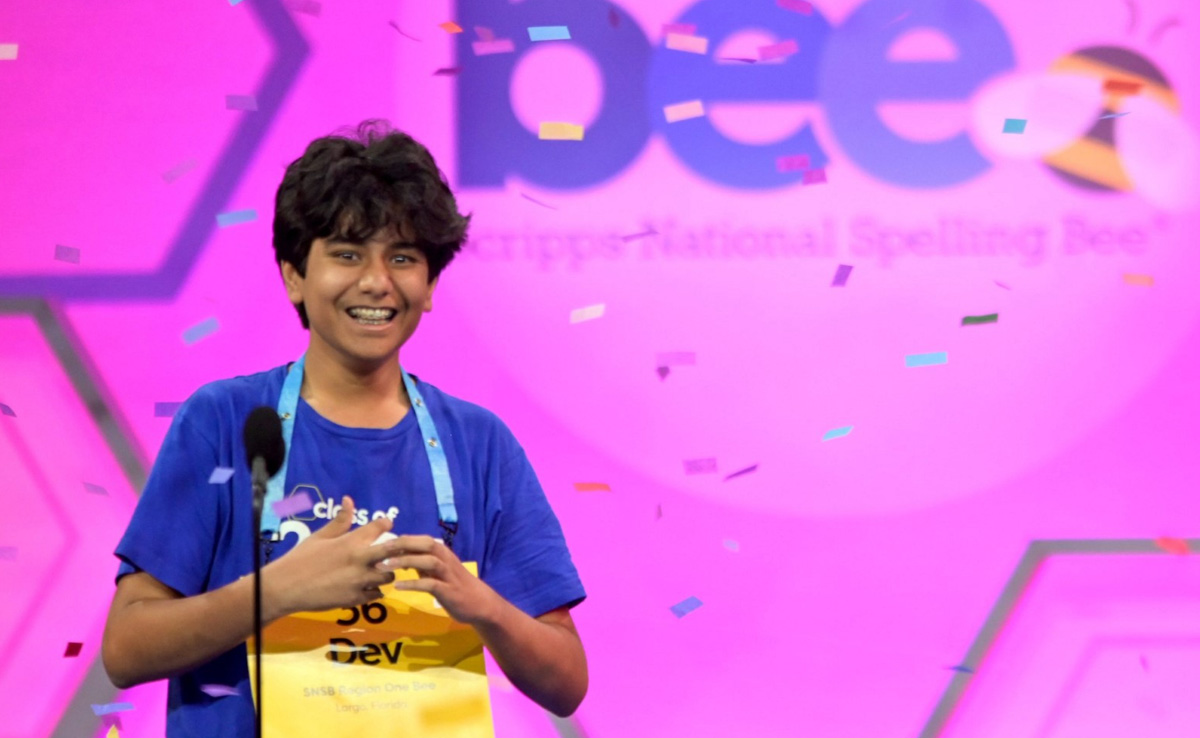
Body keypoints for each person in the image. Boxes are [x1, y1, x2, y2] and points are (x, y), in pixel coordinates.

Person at [102, 121, 588, 737]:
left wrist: (482, 605)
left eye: (403, 257)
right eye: (347, 253)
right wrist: (277, 591)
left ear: (430, 284)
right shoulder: (222, 421)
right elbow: (126, 649)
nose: (376, 281)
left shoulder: (480, 443)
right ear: (294, 276)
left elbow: (567, 683)